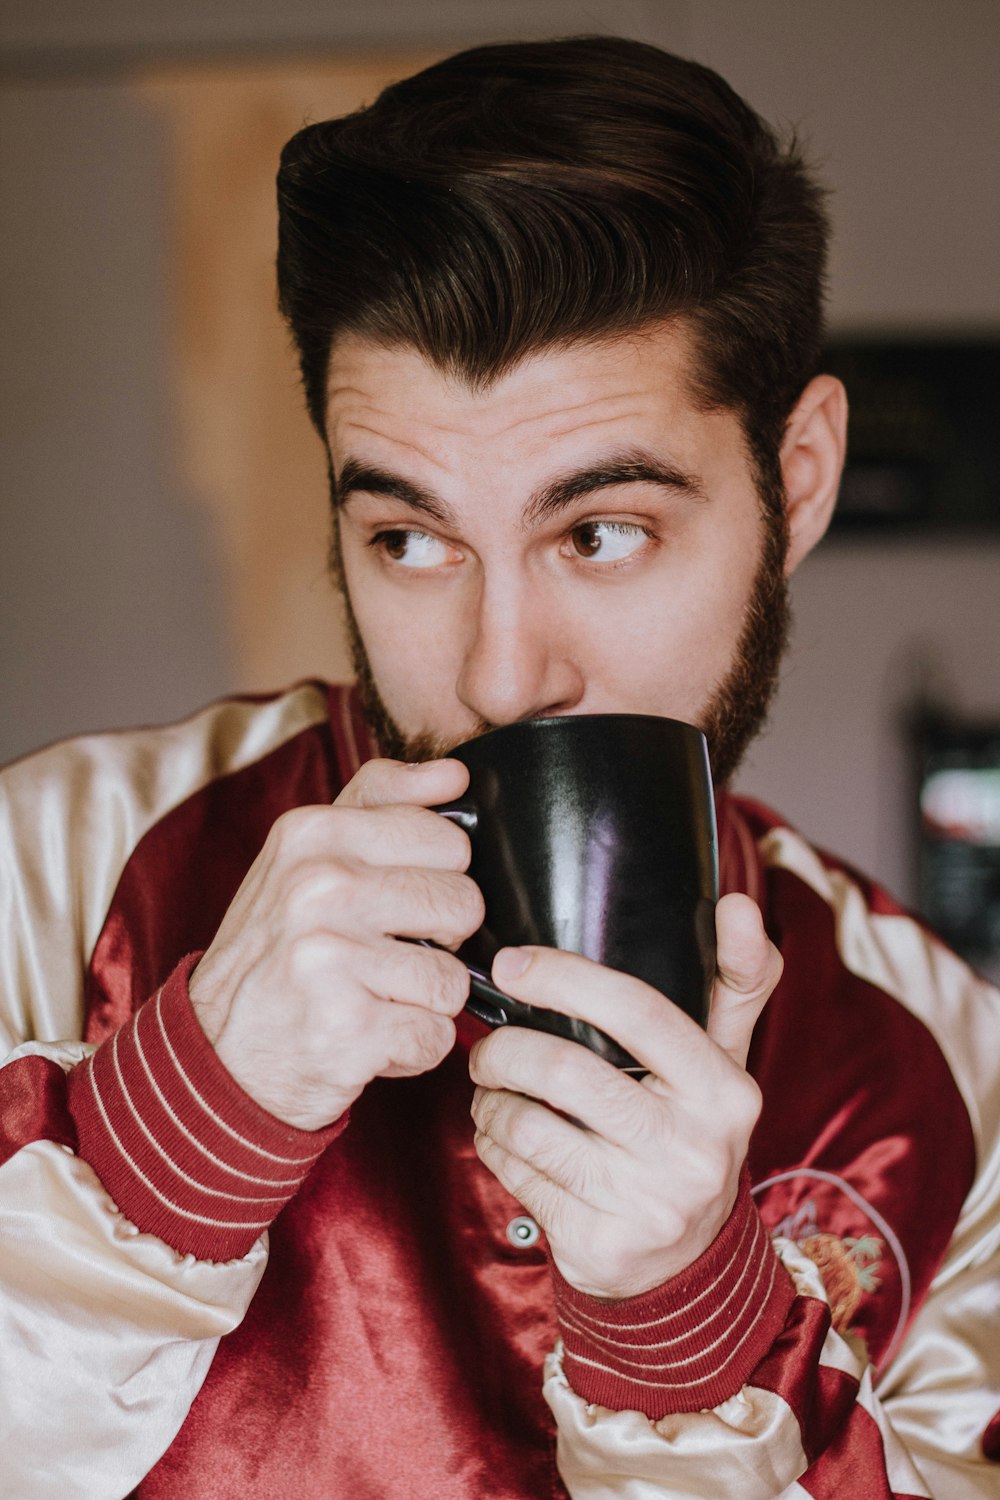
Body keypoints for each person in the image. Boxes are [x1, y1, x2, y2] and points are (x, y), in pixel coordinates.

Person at [0, 34, 997, 1500]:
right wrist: (179, 1131)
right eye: (409, 538)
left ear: (796, 485)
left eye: (599, 532)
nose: (499, 672)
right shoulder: (56, 868)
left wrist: (693, 1327)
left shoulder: (948, 1078)